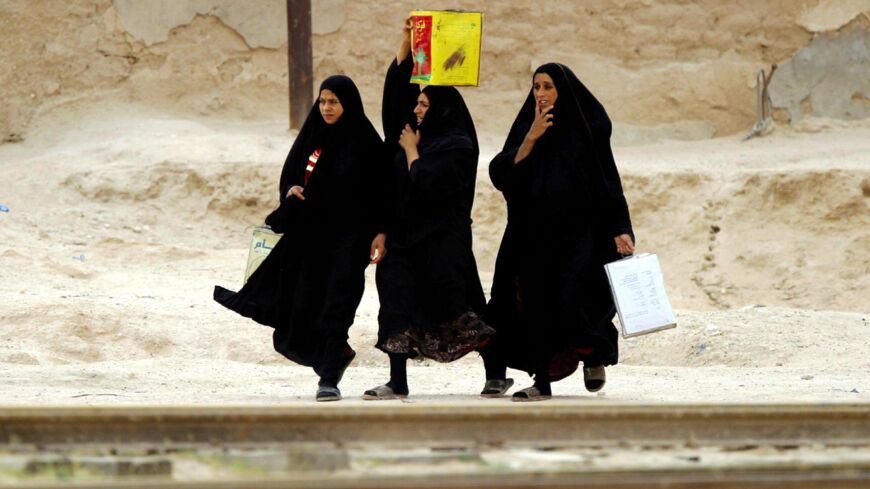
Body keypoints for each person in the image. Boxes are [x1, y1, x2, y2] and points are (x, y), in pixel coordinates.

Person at [213, 75, 387, 402]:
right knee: (307, 303)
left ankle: (329, 377)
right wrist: (289, 190)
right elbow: (291, 174)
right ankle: (335, 357)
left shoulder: (366, 143)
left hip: (351, 240)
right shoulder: (313, 135)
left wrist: (380, 231)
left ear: (348, 103)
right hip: (313, 237)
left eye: (333, 101)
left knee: (337, 304)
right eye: (322, 101)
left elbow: (382, 192)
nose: (326, 107)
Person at [482, 63, 635, 402]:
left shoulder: (587, 128)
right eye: (536, 87)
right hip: (529, 235)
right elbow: (500, 174)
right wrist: (531, 138)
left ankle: (595, 353)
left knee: (571, 303)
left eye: (548, 87)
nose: (540, 94)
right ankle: (541, 382)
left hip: (580, 238)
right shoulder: (528, 126)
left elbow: (607, 182)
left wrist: (620, 228)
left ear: (562, 90)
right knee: (531, 306)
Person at [363, 20, 493, 400]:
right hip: (404, 241)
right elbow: (394, 102)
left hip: (442, 243)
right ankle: (397, 380)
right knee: (396, 304)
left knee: (461, 309)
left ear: (441, 109)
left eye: (424, 103)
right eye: (417, 102)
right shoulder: (414, 134)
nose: (417, 109)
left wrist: (412, 153)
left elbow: (429, 182)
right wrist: (406, 43)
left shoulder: (457, 144)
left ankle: (495, 371)